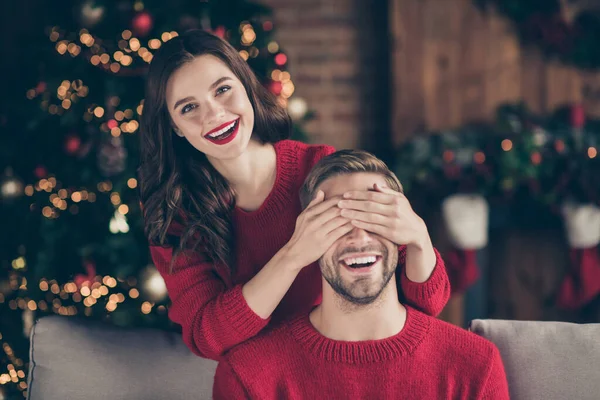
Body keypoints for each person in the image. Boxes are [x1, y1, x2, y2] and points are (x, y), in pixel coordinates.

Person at [138, 29, 451, 361]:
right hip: (261, 381)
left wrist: (418, 238)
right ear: (174, 126)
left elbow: (426, 304)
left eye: (223, 90)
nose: (214, 114)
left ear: (246, 86)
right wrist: (294, 256)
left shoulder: (322, 170)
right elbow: (207, 337)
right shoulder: (177, 214)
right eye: (189, 108)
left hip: (342, 360)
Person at [212, 150, 510, 400]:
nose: (359, 236)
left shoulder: (475, 364)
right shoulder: (247, 375)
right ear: (307, 237)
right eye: (336, 218)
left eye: (375, 214)